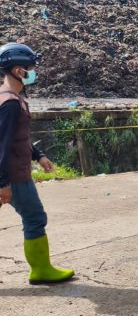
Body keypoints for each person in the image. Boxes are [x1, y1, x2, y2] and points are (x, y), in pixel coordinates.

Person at [0, 43, 74, 284]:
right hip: (13, 175)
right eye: (30, 67)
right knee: (34, 218)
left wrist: (39, 155)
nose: (33, 73)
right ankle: (41, 270)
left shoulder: (11, 98)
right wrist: (3, 183)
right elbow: (1, 143)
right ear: (18, 70)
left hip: (13, 170)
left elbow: (18, 138)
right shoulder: (10, 103)